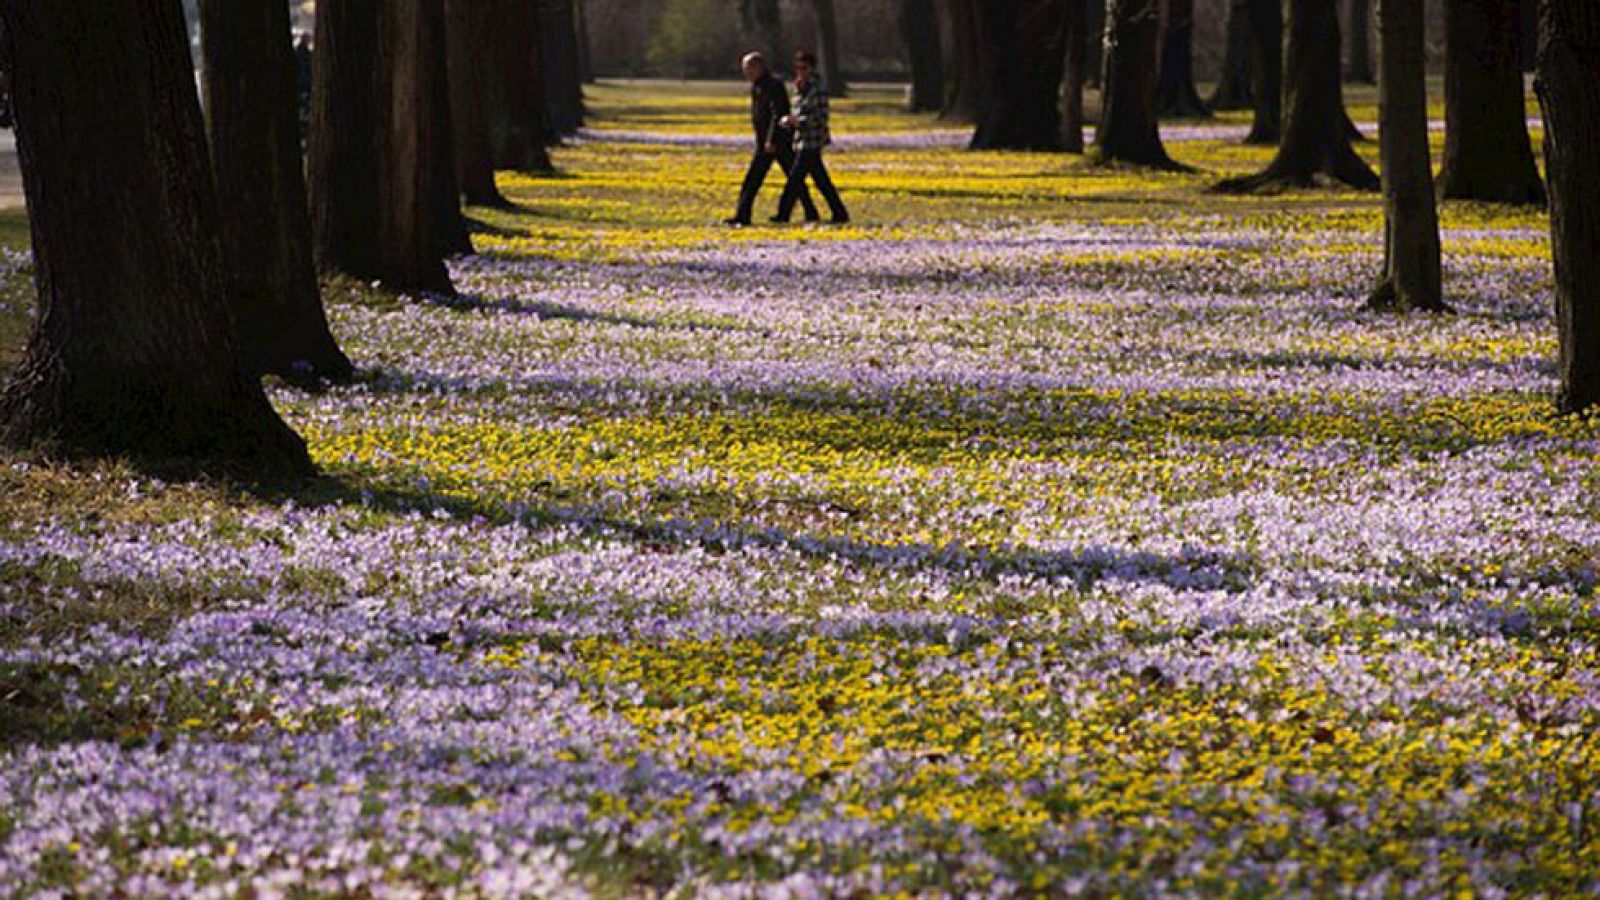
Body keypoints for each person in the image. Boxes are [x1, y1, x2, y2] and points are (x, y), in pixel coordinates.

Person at [724, 52, 817, 226]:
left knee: (754, 180)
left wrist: (771, 140)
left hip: (775, 142)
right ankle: (810, 211)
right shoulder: (757, 86)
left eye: (748, 68)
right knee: (793, 178)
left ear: (758, 66)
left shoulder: (773, 85)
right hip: (766, 141)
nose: (746, 72)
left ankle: (743, 215)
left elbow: (778, 113)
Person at [774, 50, 849, 225]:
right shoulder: (799, 88)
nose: (800, 71)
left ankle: (783, 213)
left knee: (795, 179)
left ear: (812, 68)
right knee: (820, 180)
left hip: (813, 140)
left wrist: (797, 122)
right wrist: (789, 120)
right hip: (800, 140)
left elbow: (820, 117)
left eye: (804, 67)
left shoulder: (818, 89)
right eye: (798, 68)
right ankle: (838, 212)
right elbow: (796, 110)